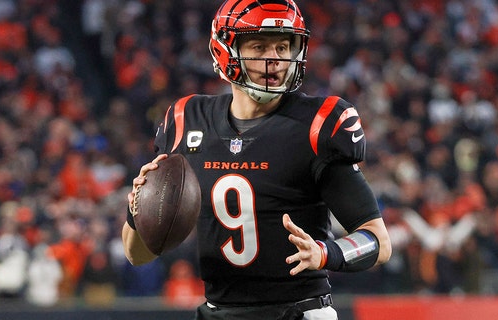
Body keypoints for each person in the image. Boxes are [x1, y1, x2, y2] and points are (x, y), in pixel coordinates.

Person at [122, 0, 392, 319]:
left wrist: (325, 252)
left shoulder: (315, 125)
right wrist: (138, 206)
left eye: (282, 46)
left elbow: (377, 240)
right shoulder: (186, 119)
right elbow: (136, 254)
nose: (274, 59)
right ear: (226, 49)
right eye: (259, 46)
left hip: (297, 311)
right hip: (217, 312)